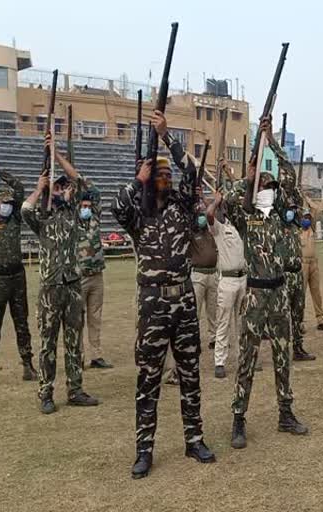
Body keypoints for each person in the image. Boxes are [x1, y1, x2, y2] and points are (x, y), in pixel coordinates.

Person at [113, 111, 214, 479]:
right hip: (153, 303)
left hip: (184, 300)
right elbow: (117, 208)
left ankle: (195, 439)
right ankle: (144, 450)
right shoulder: (139, 212)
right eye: (160, 175)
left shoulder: (182, 206)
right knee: (149, 378)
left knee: (190, 373)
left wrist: (167, 136)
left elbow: (192, 173)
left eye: (167, 174)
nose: (167, 178)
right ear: (149, 180)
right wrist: (135, 180)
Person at [222, 116, 309, 447]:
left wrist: (271, 140)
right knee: (247, 357)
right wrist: (247, 177)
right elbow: (228, 199)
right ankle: (239, 418)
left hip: (280, 293)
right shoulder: (247, 218)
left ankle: (286, 413)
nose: (268, 191)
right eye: (263, 186)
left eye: (269, 187)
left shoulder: (282, 219)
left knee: (284, 356)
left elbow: (290, 179)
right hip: (256, 294)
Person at [23, 136, 99, 414]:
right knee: (47, 343)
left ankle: (75, 390)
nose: (63, 190)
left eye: (63, 187)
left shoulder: (75, 214)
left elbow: (79, 180)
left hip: (73, 285)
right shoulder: (42, 218)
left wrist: (56, 156)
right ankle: (46, 393)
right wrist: (38, 188)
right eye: (58, 187)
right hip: (50, 288)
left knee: (73, 341)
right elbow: (24, 209)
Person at [0, 161, 36, 385]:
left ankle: (28, 364)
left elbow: (19, 187)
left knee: (22, 322)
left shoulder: (16, 219)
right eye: (3, 202)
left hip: (17, 277)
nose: (7, 205)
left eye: (9, 202)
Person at [206, 191, 246, 379]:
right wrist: (215, 201)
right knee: (223, 322)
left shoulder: (241, 228)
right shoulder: (220, 229)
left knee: (241, 322)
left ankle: (242, 357)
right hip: (228, 281)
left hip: (242, 280)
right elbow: (208, 215)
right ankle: (219, 361)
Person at [76, 181, 112, 370]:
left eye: (89, 206)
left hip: (97, 276)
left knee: (95, 317)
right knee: (78, 318)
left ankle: (96, 355)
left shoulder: (94, 219)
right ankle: (78, 356)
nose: (87, 209)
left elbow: (96, 192)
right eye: (83, 206)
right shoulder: (73, 222)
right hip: (80, 277)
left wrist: (82, 181)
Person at [279, 178, 315, 362]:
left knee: (298, 313)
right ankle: (283, 349)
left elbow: (301, 207)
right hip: (283, 275)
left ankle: (298, 348)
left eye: (293, 209)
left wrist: (297, 193)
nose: (291, 212)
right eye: (289, 209)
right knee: (283, 315)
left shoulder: (296, 226)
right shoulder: (278, 226)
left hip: (297, 274)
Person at [299, 195, 323, 331]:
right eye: (304, 218)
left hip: (314, 264)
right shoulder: (297, 230)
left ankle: (321, 320)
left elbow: (315, 208)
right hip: (302, 264)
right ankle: (299, 321)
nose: (307, 219)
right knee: (300, 294)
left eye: (308, 218)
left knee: (316, 293)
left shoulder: (311, 228)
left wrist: (307, 199)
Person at [191, 197, 219, 351]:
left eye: (204, 215)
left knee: (213, 310)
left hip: (213, 275)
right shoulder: (192, 233)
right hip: (198, 276)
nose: (202, 218)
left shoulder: (211, 232)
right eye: (199, 216)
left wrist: (208, 202)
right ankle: (193, 339)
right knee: (195, 310)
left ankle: (214, 338)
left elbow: (214, 215)